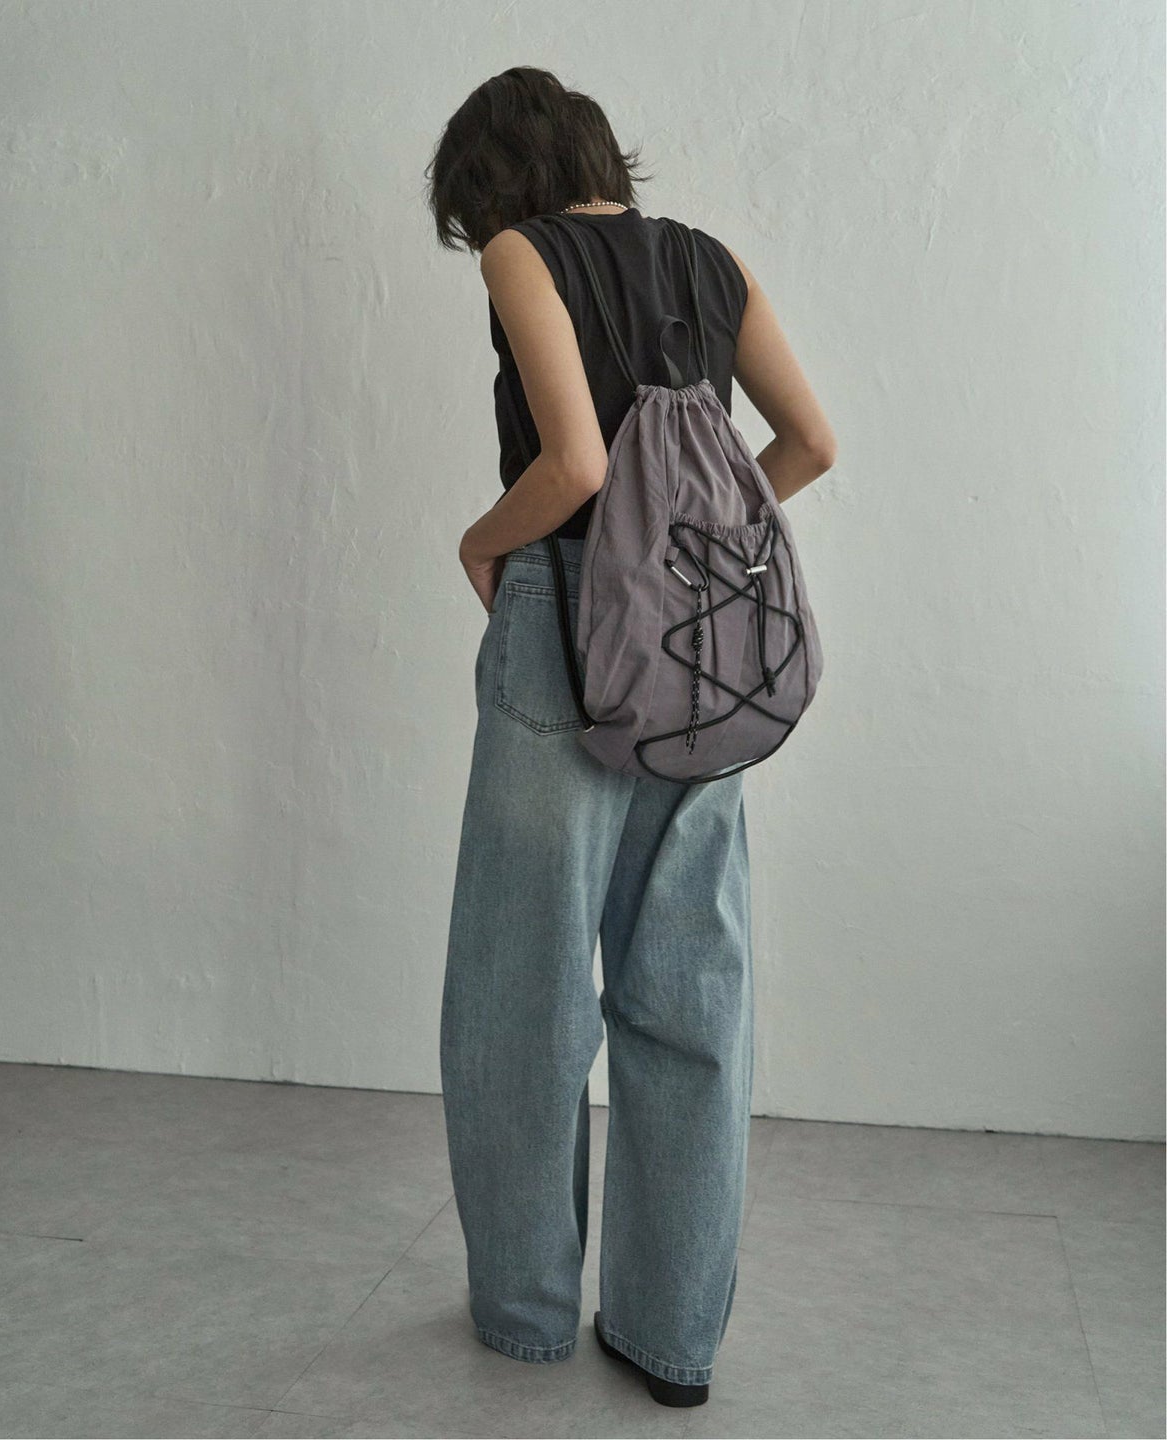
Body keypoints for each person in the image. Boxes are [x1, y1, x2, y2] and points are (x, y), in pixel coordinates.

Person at [423, 66, 836, 1408]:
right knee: (692, 992)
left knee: (523, 990)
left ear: (492, 180)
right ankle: (671, 1338)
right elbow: (810, 443)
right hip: (704, 653)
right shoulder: (712, 262)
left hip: (563, 623)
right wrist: (691, 548)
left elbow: (577, 468)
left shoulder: (521, 251)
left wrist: (478, 542)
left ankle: (527, 1311)